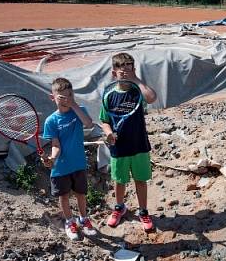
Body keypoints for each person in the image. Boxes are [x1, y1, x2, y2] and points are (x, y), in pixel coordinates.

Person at [99, 53, 158, 232]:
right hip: (119, 147)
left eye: (129, 68)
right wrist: (108, 133)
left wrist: (136, 79)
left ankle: (143, 211)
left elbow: (152, 98)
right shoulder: (109, 95)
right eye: (120, 69)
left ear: (134, 69)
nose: (124, 72)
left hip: (139, 145)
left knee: (141, 180)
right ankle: (119, 208)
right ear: (113, 73)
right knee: (119, 181)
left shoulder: (138, 92)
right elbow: (104, 120)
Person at [41, 78, 97, 241]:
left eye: (70, 95)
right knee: (64, 196)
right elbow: (56, 145)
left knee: (81, 194)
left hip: (78, 163)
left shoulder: (79, 110)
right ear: (53, 98)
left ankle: (84, 219)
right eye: (62, 97)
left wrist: (73, 105)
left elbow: (88, 123)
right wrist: (52, 157)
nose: (66, 100)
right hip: (61, 167)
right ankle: (70, 222)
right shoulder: (51, 121)